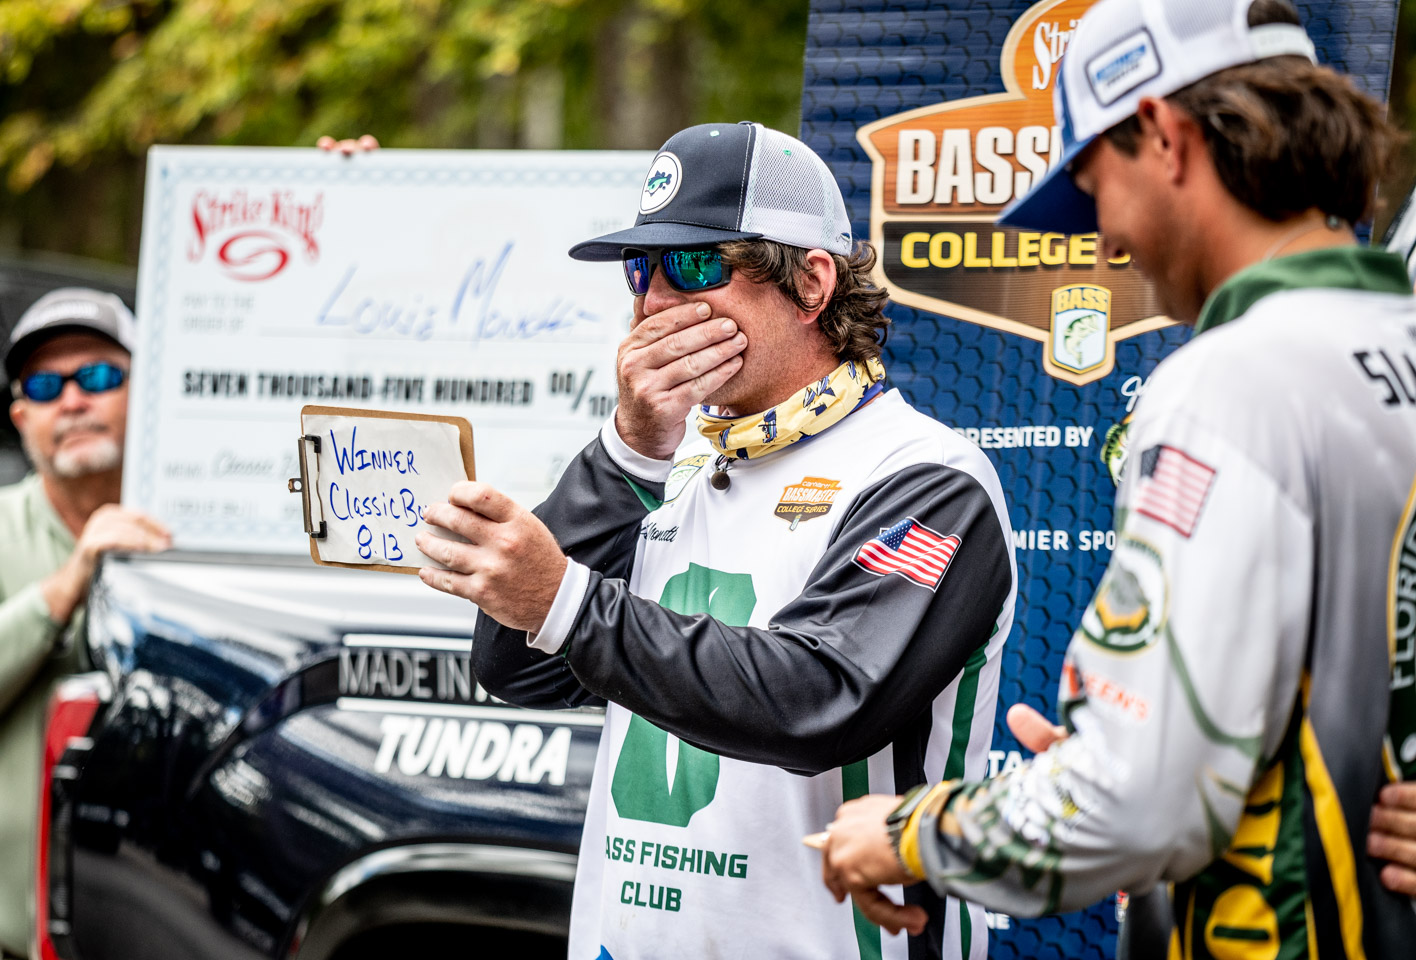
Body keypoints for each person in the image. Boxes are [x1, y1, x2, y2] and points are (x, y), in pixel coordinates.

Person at [818, 0, 1416, 956]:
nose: (1103, 244)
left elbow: (1142, 801)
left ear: (1164, 136)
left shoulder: (1231, 382)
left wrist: (912, 833)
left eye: (1094, 189)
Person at [414, 121, 1018, 958]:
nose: (655, 302)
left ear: (811, 284)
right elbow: (519, 668)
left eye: (696, 265)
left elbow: (822, 699)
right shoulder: (672, 460)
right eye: (641, 269)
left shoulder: (925, 475)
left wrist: (568, 600)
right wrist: (629, 448)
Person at [0, 289, 170, 960]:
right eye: (44, 386)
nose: (72, 400)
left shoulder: (197, 536)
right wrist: (72, 579)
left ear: (149, 392)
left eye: (98, 376)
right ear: (21, 417)